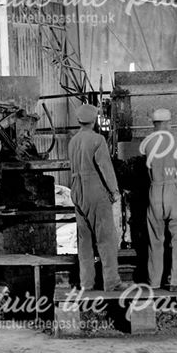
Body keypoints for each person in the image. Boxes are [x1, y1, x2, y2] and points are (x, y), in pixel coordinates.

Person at [67, 103, 125, 292]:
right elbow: (105, 168)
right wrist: (114, 191)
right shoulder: (98, 139)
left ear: (79, 120)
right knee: (105, 237)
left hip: (76, 190)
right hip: (94, 189)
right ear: (94, 120)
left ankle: (87, 283)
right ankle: (111, 282)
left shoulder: (73, 141)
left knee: (84, 241)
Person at [140, 109, 177, 292]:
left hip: (154, 191)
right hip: (174, 192)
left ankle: (154, 282)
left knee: (155, 240)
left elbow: (147, 171)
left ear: (153, 124)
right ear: (169, 122)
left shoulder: (147, 144)